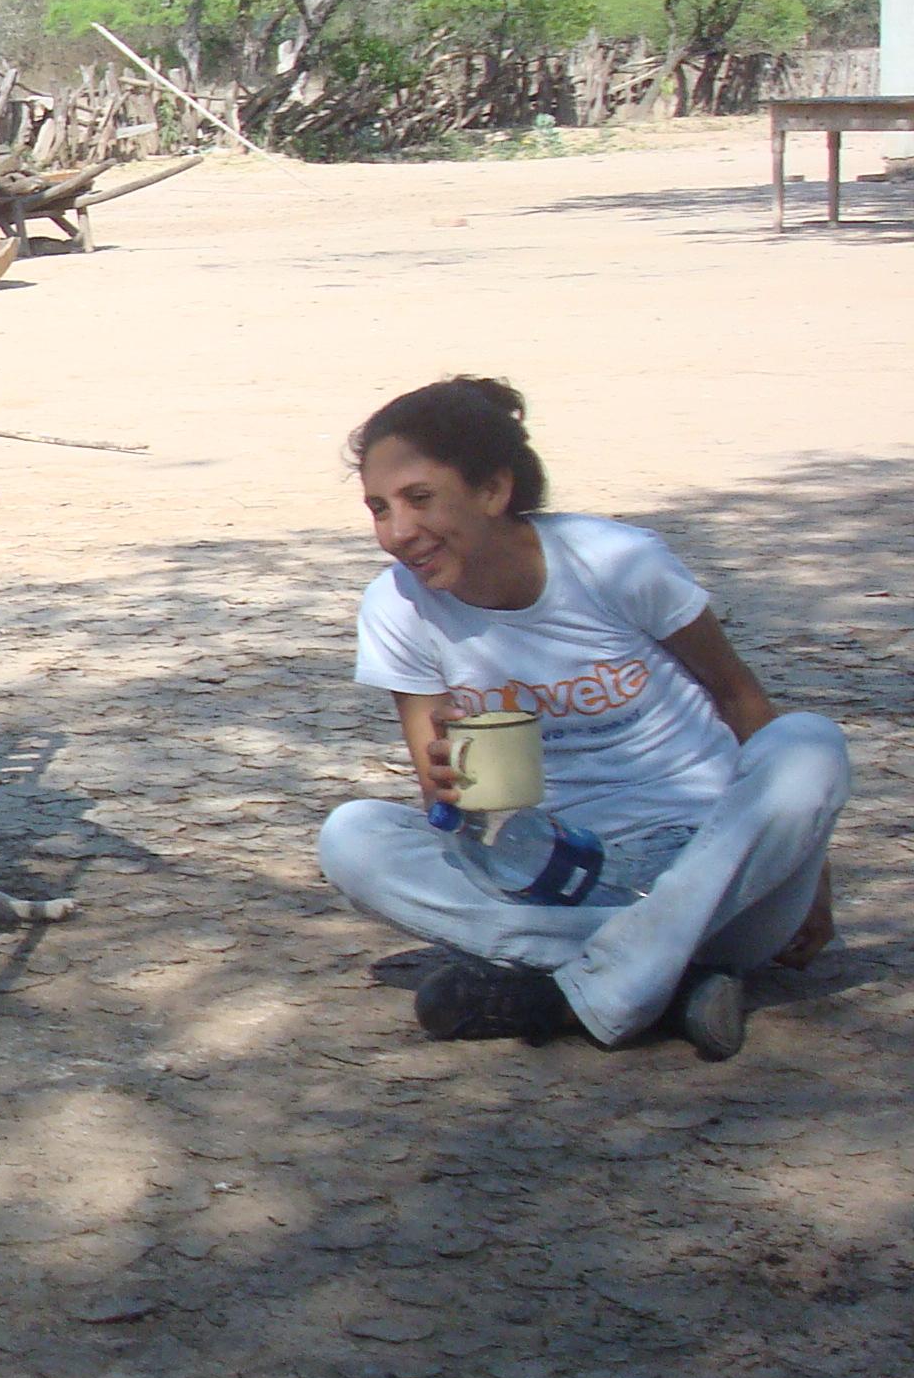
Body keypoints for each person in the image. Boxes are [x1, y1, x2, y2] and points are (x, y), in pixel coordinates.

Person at [317, 376, 845, 1060]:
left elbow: (739, 697)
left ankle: (586, 987)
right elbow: (444, 808)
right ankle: (664, 981)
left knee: (809, 743)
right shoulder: (397, 609)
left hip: (722, 870)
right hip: (556, 876)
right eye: (379, 508)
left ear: (492, 491)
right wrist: (444, 785)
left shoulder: (615, 562)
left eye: (420, 499)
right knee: (351, 836)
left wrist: (814, 874)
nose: (397, 533)